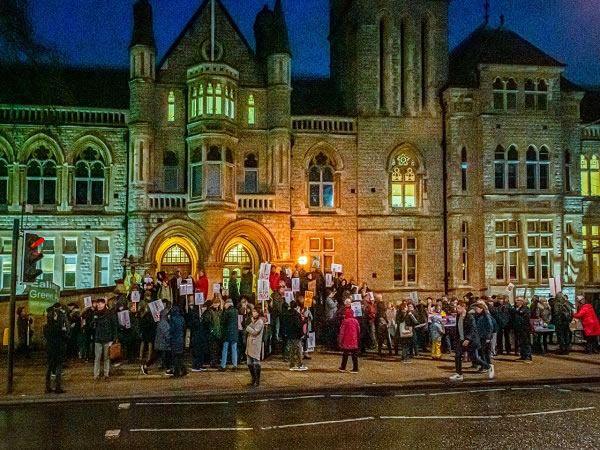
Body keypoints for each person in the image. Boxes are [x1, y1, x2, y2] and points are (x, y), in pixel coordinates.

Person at [449, 300, 494, 381]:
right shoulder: (458, 316)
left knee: (474, 358)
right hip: (461, 340)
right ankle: (459, 374)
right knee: (457, 356)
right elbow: (458, 328)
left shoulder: (470, 317)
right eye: (456, 308)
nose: (456, 310)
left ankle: (488, 366)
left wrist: (468, 339)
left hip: (471, 341)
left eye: (458, 308)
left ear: (463, 307)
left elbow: (472, 329)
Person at [44, 303, 70, 393]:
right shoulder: (59, 327)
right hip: (59, 347)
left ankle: (47, 387)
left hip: (50, 348)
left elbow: (46, 336)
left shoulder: (47, 327)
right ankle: (58, 387)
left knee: (50, 367)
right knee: (59, 366)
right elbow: (65, 335)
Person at [92, 298, 117, 381]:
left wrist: (114, 337)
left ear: (104, 304)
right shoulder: (95, 314)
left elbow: (114, 325)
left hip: (107, 338)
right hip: (98, 339)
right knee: (97, 358)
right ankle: (96, 375)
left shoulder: (109, 314)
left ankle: (106, 374)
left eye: (100, 304)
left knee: (106, 357)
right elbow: (92, 326)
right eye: (97, 304)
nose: (98, 306)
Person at [142, 306, 171, 375]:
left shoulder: (161, 322)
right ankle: (168, 369)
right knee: (166, 356)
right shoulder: (164, 323)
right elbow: (166, 333)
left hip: (160, 343)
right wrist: (170, 340)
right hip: (163, 343)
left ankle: (146, 366)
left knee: (157, 356)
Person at [246, 307, 265, 387]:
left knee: (256, 362)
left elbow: (255, 332)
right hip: (250, 344)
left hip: (255, 344)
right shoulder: (254, 321)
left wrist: (248, 328)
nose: (253, 313)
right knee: (249, 362)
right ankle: (253, 379)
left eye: (255, 311)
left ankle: (257, 380)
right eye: (253, 311)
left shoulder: (260, 321)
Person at [338, 307, 360, 372]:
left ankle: (343, 367)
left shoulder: (345, 321)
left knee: (345, 354)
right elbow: (358, 330)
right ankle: (355, 368)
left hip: (346, 340)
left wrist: (340, 340)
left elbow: (342, 332)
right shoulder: (356, 321)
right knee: (354, 355)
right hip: (354, 339)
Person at [220, 300, 239, 371]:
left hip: (227, 333)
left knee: (225, 349)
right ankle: (235, 365)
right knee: (234, 349)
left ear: (227, 304)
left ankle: (223, 366)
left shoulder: (227, 312)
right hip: (234, 333)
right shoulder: (236, 311)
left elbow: (223, 321)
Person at [287, 302, 306, 371]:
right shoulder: (297, 315)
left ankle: (292, 364)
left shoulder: (287, 314)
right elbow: (299, 325)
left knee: (291, 350)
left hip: (289, 334)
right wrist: (302, 334)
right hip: (296, 335)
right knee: (299, 350)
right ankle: (300, 364)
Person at [169, 305, 187, 377]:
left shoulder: (173, 319)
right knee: (180, 356)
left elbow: (172, 329)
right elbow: (184, 327)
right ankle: (183, 369)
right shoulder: (182, 318)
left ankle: (176, 371)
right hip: (181, 338)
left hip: (175, 339)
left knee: (175, 356)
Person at [514, 297, 532, 362]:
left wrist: (519, 316)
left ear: (522, 301)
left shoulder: (526, 308)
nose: (516, 301)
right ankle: (523, 355)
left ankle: (528, 355)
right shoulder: (516, 308)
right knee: (521, 342)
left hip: (524, 328)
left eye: (518, 300)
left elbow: (526, 317)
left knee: (526, 342)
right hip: (518, 328)